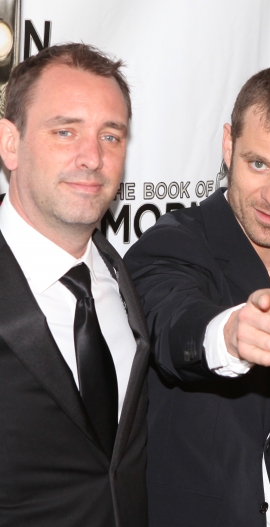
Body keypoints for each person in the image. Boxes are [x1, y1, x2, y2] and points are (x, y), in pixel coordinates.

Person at [124, 65, 270, 527]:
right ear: (228, 146)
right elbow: (174, 323)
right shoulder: (173, 244)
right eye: (258, 163)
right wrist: (230, 334)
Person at [0, 44, 149, 526]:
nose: (93, 158)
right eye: (65, 132)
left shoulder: (127, 280)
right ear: (9, 143)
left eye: (111, 135)